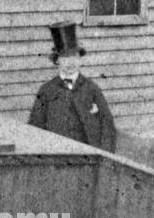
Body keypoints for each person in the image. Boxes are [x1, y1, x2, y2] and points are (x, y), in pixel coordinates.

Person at [28, 22, 117, 153]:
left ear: (80, 59)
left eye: (74, 57)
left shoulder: (92, 89)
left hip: (88, 158)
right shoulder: (47, 90)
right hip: (56, 157)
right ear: (57, 60)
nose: (70, 63)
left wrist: (104, 157)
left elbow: (107, 125)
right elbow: (35, 127)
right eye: (65, 57)